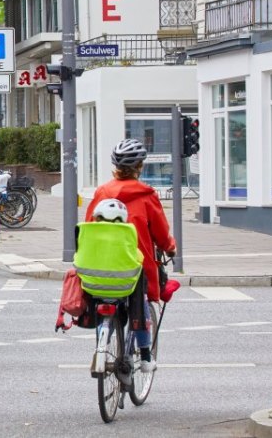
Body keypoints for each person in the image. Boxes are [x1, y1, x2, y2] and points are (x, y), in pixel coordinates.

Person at [83, 138, 177, 372]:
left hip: (100, 263)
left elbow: (88, 224)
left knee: (103, 301)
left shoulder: (102, 192)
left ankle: (101, 348)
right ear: (140, 167)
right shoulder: (146, 196)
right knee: (140, 302)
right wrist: (170, 248)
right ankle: (145, 357)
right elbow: (161, 232)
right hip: (133, 265)